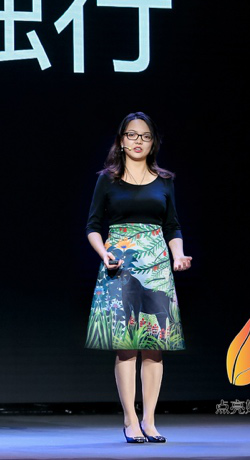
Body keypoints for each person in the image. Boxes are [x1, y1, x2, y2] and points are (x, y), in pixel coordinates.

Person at [84, 111, 191, 444]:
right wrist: (104, 254)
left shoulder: (164, 180)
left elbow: (172, 225)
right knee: (126, 347)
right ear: (121, 140)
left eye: (145, 136)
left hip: (156, 265)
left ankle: (150, 420)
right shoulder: (108, 180)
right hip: (120, 264)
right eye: (132, 135)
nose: (138, 141)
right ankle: (130, 420)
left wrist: (178, 255)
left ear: (153, 142)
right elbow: (93, 226)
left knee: (154, 347)